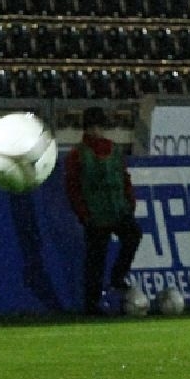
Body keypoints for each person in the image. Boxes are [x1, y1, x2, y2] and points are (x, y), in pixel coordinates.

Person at [64, 106, 142, 315]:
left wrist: (130, 202)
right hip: (94, 213)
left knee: (133, 236)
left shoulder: (113, 150)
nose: (96, 131)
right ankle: (92, 303)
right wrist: (83, 214)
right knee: (95, 259)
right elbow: (73, 188)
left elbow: (124, 178)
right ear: (86, 129)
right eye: (92, 127)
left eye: (98, 127)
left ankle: (117, 276)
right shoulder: (77, 155)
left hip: (117, 209)